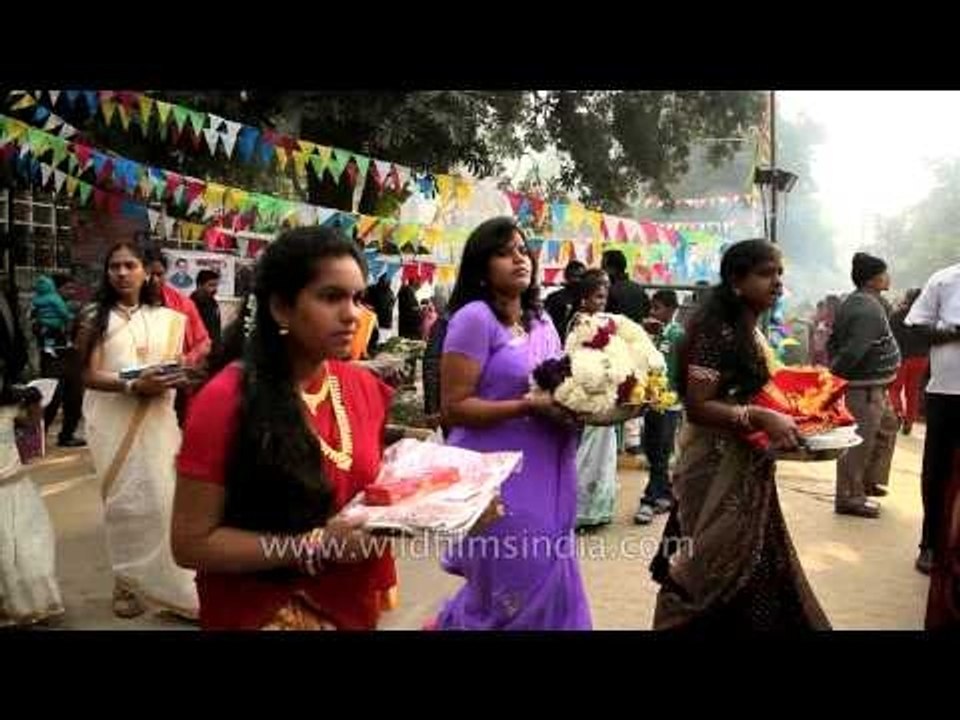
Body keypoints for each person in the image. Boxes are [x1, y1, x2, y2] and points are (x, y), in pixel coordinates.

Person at [171, 227, 399, 630]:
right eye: (331, 297)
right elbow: (191, 544)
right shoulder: (225, 399)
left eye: (357, 298)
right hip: (260, 611)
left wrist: (438, 503)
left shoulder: (362, 387)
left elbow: (368, 493)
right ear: (280, 308)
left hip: (351, 604)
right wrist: (314, 545)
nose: (353, 314)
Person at [650, 239, 830, 630]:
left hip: (746, 468)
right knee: (704, 571)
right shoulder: (715, 331)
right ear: (736, 279)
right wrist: (760, 417)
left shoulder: (746, 325)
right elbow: (698, 405)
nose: (778, 283)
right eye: (767, 274)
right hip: (714, 470)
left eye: (780, 273)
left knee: (756, 571)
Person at [433, 216, 591, 630]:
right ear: (481, 267)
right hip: (497, 474)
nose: (518, 259)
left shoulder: (541, 320)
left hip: (549, 465)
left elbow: (558, 386)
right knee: (513, 582)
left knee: (549, 570)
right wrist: (526, 407)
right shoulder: (474, 318)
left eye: (522, 250)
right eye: (503, 253)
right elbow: (455, 407)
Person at [77, 241, 198, 620]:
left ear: (147, 271)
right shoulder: (95, 315)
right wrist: (132, 384)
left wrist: (177, 377)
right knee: (125, 503)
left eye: (130, 265)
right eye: (115, 266)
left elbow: (183, 364)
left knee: (166, 502)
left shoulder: (167, 317)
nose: (122, 273)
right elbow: (87, 374)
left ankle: (176, 587)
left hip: (159, 420)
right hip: (111, 421)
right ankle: (126, 582)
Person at [828, 252, 901, 518]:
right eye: (884, 272)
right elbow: (853, 350)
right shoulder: (866, 308)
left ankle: (867, 482)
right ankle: (848, 497)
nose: (889, 277)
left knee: (886, 428)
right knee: (858, 442)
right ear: (873, 279)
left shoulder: (868, 302)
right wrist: (834, 381)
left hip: (875, 385)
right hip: (864, 387)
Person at [904, 260, 960, 575]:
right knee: (937, 471)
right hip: (948, 393)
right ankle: (930, 544)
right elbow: (915, 325)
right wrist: (952, 331)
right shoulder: (945, 279)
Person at [0, 383, 65, 627]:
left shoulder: (10, 407)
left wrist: (35, 402)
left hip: (17, 489)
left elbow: (33, 421)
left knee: (30, 549)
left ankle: (32, 602)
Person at [572, 269, 619, 529]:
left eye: (604, 297)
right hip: (587, 393)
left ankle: (598, 510)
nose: (602, 302)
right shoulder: (579, 323)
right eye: (598, 297)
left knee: (604, 453)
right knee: (585, 452)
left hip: (606, 392)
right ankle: (579, 511)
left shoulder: (606, 321)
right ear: (585, 299)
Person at [635, 289, 684, 525]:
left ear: (672, 309)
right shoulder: (650, 333)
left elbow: (679, 369)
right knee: (653, 448)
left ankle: (649, 499)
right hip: (651, 400)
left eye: (657, 308)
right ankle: (665, 494)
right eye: (651, 308)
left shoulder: (678, 334)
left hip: (670, 402)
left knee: (661, 451)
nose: (652, 313)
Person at [31, 275, 85, 447]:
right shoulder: (41, 307)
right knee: (51, 399)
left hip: (72, 357)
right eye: (67, 288)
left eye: (73, 288)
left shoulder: (75, 309)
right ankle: (37, 438)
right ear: (57, 289)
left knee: (75, 398)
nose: (72, 292)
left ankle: (67, 435)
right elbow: (36, 328)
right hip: (52, 358)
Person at [889, 288, 929, 436]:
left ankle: (897, 413)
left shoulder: (897, 315)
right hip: (921, 358)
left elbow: (890, 336)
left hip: (901, 357)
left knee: (895, 388)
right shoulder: (927, 316)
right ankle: (909, 421)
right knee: (913, 391)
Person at [602, 249, 650, 323]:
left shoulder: (609, 291)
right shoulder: (639, 289)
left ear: (612, 269)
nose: (602, 271)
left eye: (603, 267)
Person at [544, 259, 586, 345]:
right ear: (566, 276)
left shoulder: (588, 299)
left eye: (580, 277)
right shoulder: (553, 298)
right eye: (574, 276)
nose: (577, 280)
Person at [190, 269, 222, 354]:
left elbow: (216, 330)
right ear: (200, 285)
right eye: (211, 285)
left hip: (213, 352)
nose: (215, 289)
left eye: (216, 286)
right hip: (197, 353)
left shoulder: (213, 303)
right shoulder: (190, 305)